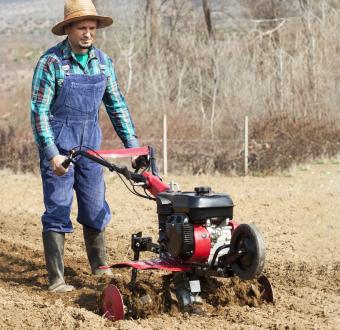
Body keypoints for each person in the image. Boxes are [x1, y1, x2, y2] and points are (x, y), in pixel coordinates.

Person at [30, 0, 139, 293]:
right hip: (59, 148)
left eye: (92, 28)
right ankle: (57, 279)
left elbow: (116, 105)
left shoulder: (103, 62)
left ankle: (100, 267)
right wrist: (52, 154)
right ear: (68, 29)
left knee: (94, 205)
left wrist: (133, 146)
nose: (88, 33)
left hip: (91, 148)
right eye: (82, 27)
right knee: (58, 207)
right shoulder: (51, 63)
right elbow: (38, 112)